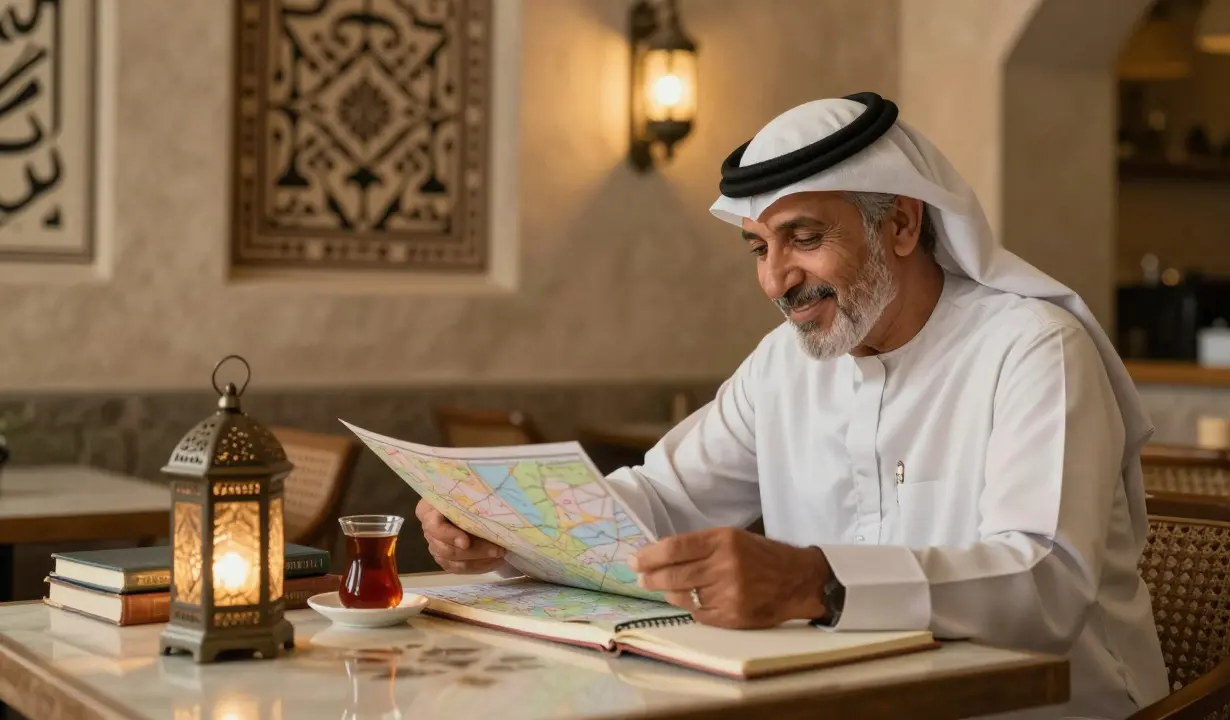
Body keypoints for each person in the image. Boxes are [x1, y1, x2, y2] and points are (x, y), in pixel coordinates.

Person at [416, 92, 1169, 718]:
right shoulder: (785, 366)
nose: (777, 281)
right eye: (758, 249)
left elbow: (1046, 582)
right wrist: (505, 527)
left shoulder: (1032, 347)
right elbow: (663, 499)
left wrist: (816, 581)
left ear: (902, 224)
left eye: (803, 238)